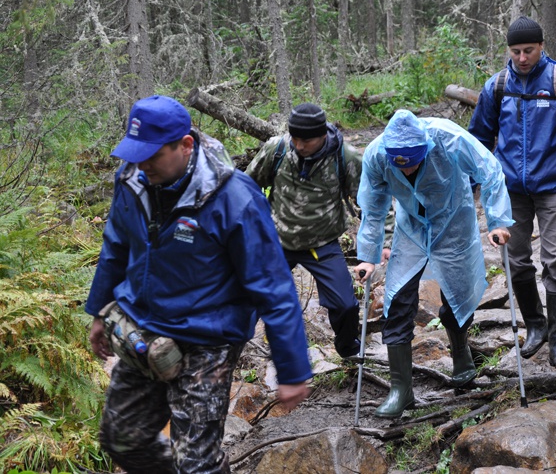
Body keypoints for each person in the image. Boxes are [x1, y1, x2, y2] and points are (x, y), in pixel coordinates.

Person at [85, 95, 312, 473]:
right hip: (143, 328)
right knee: (121, 437)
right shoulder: (131, 179)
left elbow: (273, 286)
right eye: (136, 152)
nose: (142, 164)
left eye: (152, 155)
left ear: (185, 145)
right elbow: (115, 246)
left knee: (196, 463)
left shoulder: (234, 198)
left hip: (208, 340)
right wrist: (99, 311)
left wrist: (292, 370)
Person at [354, 109, 513, 419]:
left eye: (413, 162)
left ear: (424, 148)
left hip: (454, 221)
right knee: (398, 298)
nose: (407, 169)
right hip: (411, 227)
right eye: (400, 164)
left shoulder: (448, 138)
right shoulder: (376, 155)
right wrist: (368, 256)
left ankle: (462, 356)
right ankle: (401, 390)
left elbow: (490, 170)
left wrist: (497, 220)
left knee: (456, 293)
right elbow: (373, 206)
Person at [468, 16, 556, 368]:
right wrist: (468, 185)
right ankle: (536, 326)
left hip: (555, 186)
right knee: (515, 260)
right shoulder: (497, 86)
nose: (522, 58)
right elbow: (477, 142)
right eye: (515, 51)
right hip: (509, 189)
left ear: (541, 46)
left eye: (528, 50)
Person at [246, 103, 391, 359]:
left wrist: (386, 240)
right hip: (277, 241)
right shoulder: (277, 149)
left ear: (323, 134)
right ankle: (233, 348)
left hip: (322, 244)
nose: (299, 146)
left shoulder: (345, 157)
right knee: (248, 297)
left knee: (345, 305)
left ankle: (348, 350)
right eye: (295, 138)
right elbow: (245, 187)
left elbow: (374, 201)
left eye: (306, 140)